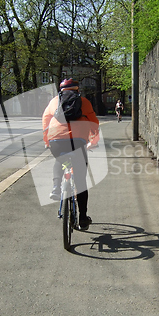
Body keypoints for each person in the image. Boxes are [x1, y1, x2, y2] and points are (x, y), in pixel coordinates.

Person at [42, 79, 99, 230]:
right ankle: (83, 218)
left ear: (61, 90)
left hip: (56, 141)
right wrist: (93, 140)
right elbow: (94, 123)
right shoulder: (84, 102)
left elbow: (45, 121)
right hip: (78, 141)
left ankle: (55, 187)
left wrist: (47, 141)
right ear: (77, 90)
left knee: (60, 160)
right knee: (80, 181)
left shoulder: (54, 102)